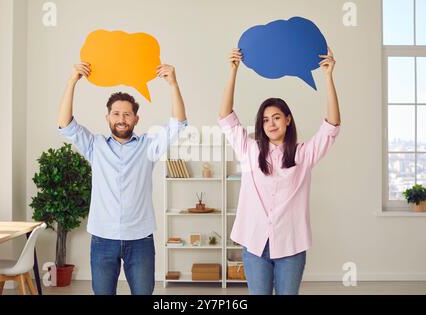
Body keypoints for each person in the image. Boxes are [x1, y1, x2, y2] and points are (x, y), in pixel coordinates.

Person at [218, 47, 341, 295]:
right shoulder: (249, 151)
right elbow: (226, 117)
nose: (270, 124)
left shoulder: (303, 154)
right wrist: (233, 72)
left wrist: (328, 77)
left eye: (276, 117)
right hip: (255, 245)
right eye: (265, 119)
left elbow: (332, 125)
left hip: (291, 247)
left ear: (288, 119)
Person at [57, 62, 187, 295]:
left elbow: (178, 124)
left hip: (140, 239)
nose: (121, 118)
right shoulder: (94, 145)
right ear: (107, 117)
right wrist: (72, 82)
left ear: (136, 119)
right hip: (103, 239)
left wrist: (173, 84)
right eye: (116, 113)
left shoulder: (149, 145)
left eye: (127, 114)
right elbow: (66, 125)